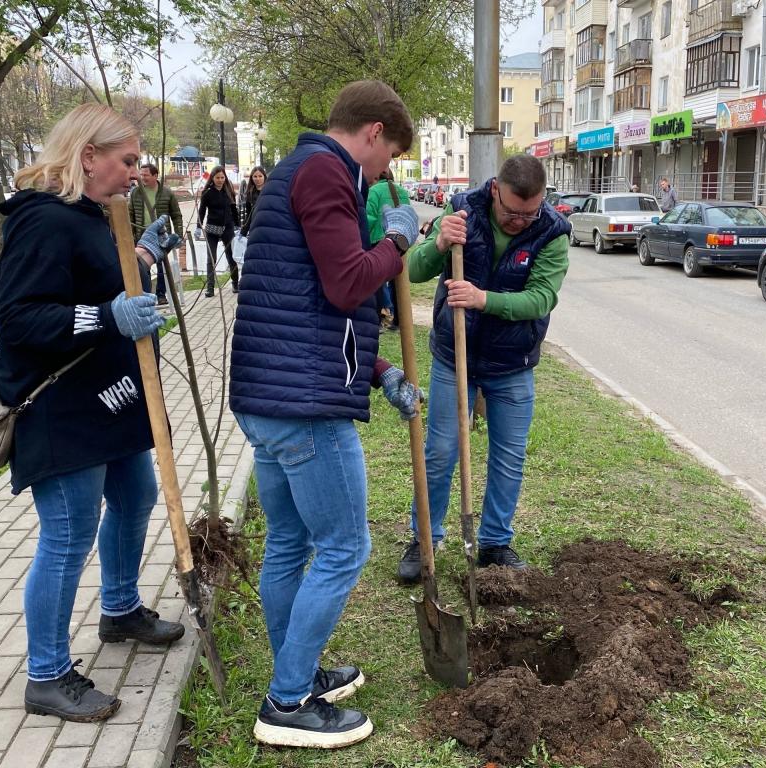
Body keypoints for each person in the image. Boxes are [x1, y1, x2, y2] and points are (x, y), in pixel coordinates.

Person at [229, 80, 421, 750]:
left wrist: (379, 370)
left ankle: (299, 673)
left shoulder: (299, 172)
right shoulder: (325, 173)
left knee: (289, 542)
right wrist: (397, 241)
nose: (387, 172)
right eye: (389, 155)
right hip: (305, 409)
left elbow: (308, 308)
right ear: (371, 132)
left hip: (271, 397)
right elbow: (347, 283)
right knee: (345, 546)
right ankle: (286, 702)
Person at [0, 103, 185, 722]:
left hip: (107, 400)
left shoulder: (90, 215)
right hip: (62, 409)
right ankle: (46, 674)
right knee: (68, 533)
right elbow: (19, 319)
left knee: (135, 497)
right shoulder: (42, 220)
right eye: (127, 160)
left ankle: (121, 609)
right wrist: (107, 318)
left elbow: (100, 282)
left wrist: (145, 261)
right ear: (86, 156)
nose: (136, 172)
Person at [397, 154, 570, 583]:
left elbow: (542, 299)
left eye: (530, 213)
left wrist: (483, 299)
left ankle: (493, 544)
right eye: (512, 211)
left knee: (509, 457)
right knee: (439, 452)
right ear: (495, 190)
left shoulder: (552, 232)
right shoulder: (461, 213)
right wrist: (438, 243)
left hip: (512, 363)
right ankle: (425, 539)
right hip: (453, 358)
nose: (521, 221)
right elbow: (412, 270)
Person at [129, 162, 184, 305]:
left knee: (162, 268)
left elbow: (176, 215)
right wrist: (130, 235)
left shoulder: (167, 193)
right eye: (141, 175)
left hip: (161, 238)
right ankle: (146, 295)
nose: (142, 178)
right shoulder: (136, 192)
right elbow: (131, 214)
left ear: (155, 175)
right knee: (142, 268)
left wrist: (178, 234)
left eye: (146, 175)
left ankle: (161, 295)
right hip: (141, 236)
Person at [365, 168, 410, 329]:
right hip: (400, 241)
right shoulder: (402, 192)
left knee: (376, 282)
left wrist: (362, 236)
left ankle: (378, 317)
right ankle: (399, 319)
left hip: (378, 240)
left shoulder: (374, 191)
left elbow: (368, 217)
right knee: (397, 283)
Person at [195, 166, 240, 296]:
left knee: (231, 256)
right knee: (212, 258)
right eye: (217, 178)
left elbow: (234, 209)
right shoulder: (207, 192)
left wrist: (237, 225)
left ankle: (235, 283)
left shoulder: (228, 190)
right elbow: (202, 210)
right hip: (212, 229)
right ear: (212, 178)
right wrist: (198, 226)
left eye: (222, 177)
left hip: (228, 227)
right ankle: (210, 287)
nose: (220, 180)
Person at [239, 165, 267, 238]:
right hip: (255, 229)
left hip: (268, 228)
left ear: (264, 176)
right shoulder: (249, 194)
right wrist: (243, 233)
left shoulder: (270, 191)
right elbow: (249, 215)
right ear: (251, 178)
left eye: (260, 176)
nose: (258, 179)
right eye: (255, 176)